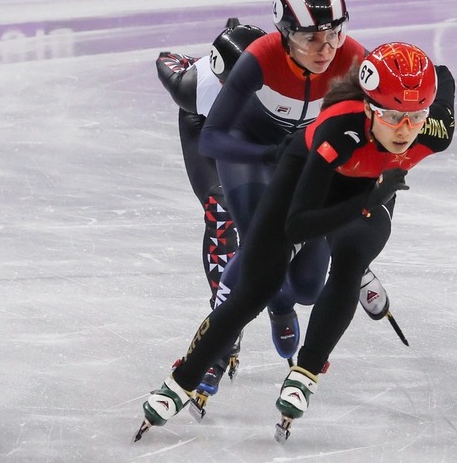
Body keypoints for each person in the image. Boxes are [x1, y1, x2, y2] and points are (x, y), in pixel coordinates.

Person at [136, 42, 454, 441]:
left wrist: (412, 81)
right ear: (370, 108)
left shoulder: (434, 129)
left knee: (349, 257)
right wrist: (365, 197)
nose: (407, 129)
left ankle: (307, 370)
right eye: (393, 116)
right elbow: (299, 225)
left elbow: (441, 78)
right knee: (259, 287)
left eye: (415, 117)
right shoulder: (334, 134)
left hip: (367, 191)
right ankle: (182, 380)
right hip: (309, 183)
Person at [197, 0, 387, 365]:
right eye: (311, 38)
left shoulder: (352, 58)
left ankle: (292, 295)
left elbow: (381, 122)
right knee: (264, 256)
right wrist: (270, 154)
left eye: (335, 32)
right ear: (284, 34)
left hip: (306, 156)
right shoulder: (261, 56)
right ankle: (277, 307)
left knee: (309, 287)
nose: (327, 48)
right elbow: (212, 139)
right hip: (252, 152)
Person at [155, 20, 266, 389]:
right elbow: (165, 59)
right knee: (221, 210)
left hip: (261, 128)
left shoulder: (289, 87)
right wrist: (197, 63)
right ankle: (223, 325)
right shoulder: (194, 87)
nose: (226, 90)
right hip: (203, 126)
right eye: (222, 83)